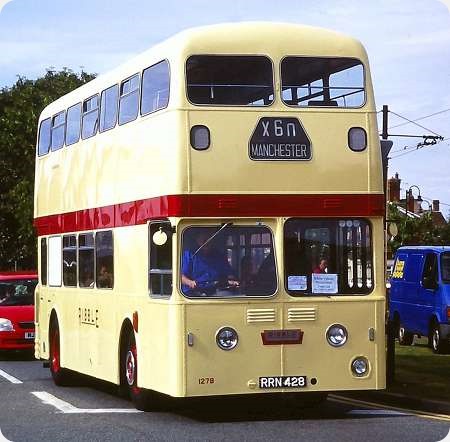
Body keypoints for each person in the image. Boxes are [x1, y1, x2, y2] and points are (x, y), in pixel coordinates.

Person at [181, 230, 239, 295]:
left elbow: (228, 274)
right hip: (193, 292)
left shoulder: (219, 256)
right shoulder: (189, 255)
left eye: (209, 240)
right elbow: (180, 276)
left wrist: (232, 281)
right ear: (197, 240)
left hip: (215, 291)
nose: (206, 243)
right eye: (204, 240)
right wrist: (190, 282)